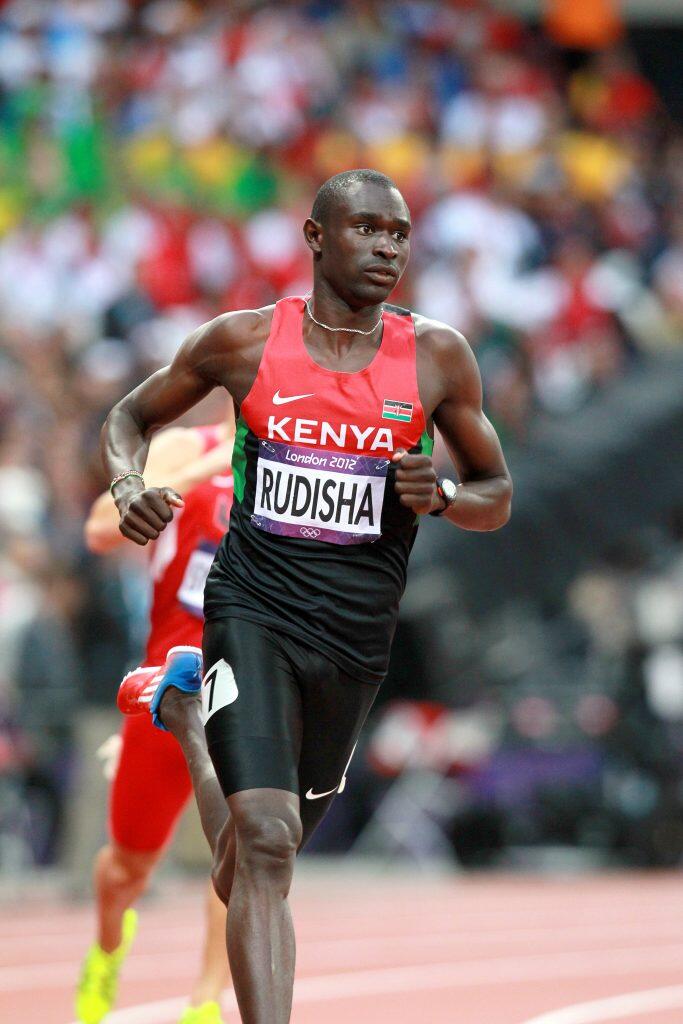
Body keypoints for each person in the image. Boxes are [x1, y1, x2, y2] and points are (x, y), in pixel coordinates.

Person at [102, 168, 513, 1024]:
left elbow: (496, 495)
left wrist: (441, 495)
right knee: (266, 838)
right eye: (366, 228)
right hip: (251, 610)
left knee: (252, 864)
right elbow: (128, 418)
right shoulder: (244, 342)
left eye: (398, 234)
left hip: (354, 639)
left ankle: (186, 717)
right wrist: (128, 481)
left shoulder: (436, 356)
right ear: (315, 238)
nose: (386, 248)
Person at [76, 414, 235, 1024]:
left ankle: (205, 1003)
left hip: (252, 677)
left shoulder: (311, 459)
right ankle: (108, 946)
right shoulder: (186, 447)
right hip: (170, 683)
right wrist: (208, 468)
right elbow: (99, 528)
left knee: (245, 846)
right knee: (126, 869)